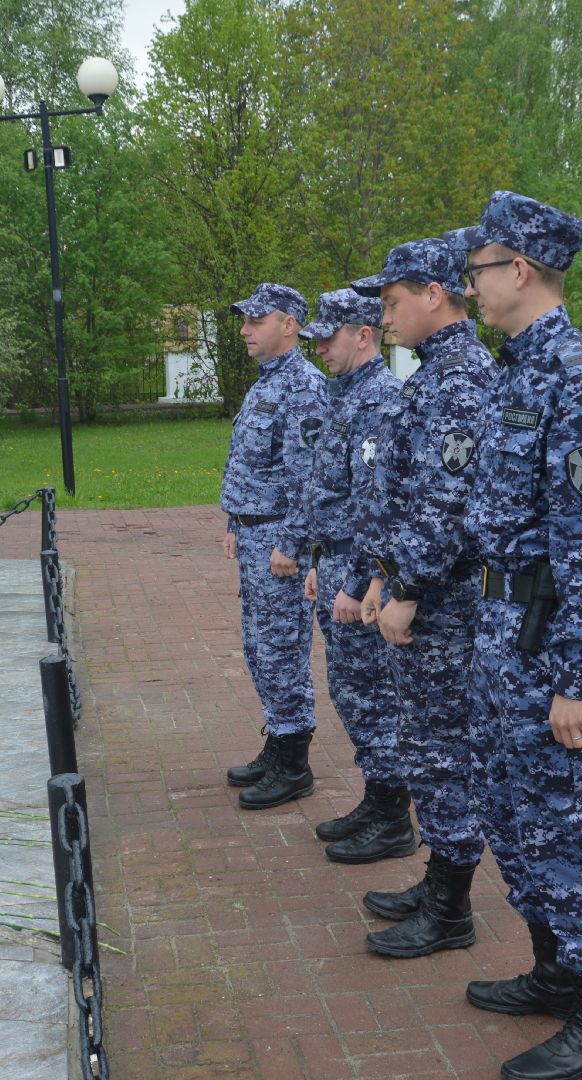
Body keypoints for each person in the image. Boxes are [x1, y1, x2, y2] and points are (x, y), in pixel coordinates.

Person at [456, 191, 582, 1080]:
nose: (472, 285)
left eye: (479, 270)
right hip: (502, 632)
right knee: (513, 811)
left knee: (564, 824)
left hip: (545, 643)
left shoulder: (581, 379)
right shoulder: (517, 371)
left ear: (518, 270)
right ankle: (554, 969)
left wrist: (577, 681)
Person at [350, 238, 498, 957]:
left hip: (444, 601)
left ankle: (451, 910)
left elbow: (448, 505)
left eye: (392, 301)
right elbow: (403, 495)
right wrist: (383, 575)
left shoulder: (462, 377)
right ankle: (441, 881)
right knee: (426, 745)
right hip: (417, 588)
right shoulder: (434, 372)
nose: (384, 316)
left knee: (443, 750)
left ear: (434, 294)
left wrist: (404, 587)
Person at [279, 288, 412, 863]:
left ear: (363, 335)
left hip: (358, 573)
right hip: (334, 560)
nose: (320, 350)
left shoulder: (381, 400)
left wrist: (357, 581)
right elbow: (328, 489)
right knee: (353, 694)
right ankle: (377, 798)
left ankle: (392, 816)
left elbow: (378, 505)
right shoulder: (345, 395)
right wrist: (316, 561)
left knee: (373, 696)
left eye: (329, 338)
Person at [220, 283, 330, 809]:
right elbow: (251, 460)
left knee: (282, 649)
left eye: (255, 320)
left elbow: (309, 477)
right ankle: (278, 741)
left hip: (278, 543)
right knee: (259, 646)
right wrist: (234, 522)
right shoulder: (268, 383)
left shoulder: (303, 387)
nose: (244, 330)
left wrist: (292, 543)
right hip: (254, 532)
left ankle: (294, 765)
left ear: (288, 324)